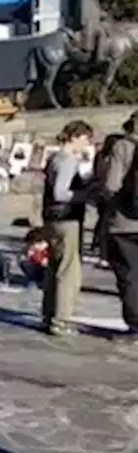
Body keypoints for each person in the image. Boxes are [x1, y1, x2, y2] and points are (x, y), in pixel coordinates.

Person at [41, 120, 95, 336]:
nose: (87, 143)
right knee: (68, 271)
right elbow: (60, 193)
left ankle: (49, 314)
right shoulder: (67, 160)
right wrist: (87, 195)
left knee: (55, 267)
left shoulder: (54, 158)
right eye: (85, 139)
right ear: (75, 136)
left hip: (52, 218)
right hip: (66, 218)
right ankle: (61, 319)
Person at [102, 112, 138, 335]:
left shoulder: (123, 147)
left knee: (130, 274)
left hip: (125, 222)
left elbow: (112, 185)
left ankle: (135, 324)